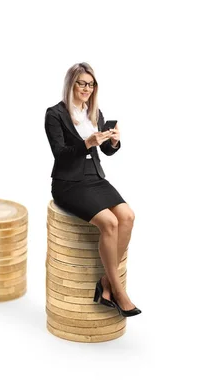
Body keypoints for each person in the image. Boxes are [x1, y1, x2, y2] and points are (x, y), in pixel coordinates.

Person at [44, 62, 141, 317]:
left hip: (95, 178)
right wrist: (87, 142)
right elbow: (60, 155)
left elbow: (106, 151)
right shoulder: (54, 114)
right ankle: (118, 291)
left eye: (91, 84)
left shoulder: (94, 113)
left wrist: (114, 142)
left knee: (128, 216)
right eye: (82, 83)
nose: (87, 88)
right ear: (71, 84)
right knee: (109, 222)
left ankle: (105, 284)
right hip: (68, 182)